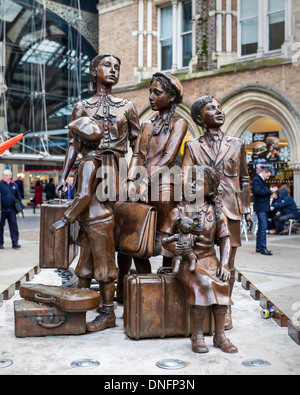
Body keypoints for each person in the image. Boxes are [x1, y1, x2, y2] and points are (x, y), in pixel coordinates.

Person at [55, 53, 140, 304]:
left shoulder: (128, 106)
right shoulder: (82, 106)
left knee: (115, 229)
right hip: (90, 166)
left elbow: (138, 144)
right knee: (89, 227)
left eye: (117, 66)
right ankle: (89, 293)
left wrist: (133, 176)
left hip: (117, 168)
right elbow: (73, 144)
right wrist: (63, 176)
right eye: (107, 65)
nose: (113, 70)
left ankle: (114, 291)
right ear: (94, 71)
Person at [182, 95, 252, 330]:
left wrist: (246, 208)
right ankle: (202, 303)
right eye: (211, 109)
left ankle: (226, 306)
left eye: (219, 107)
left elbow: (244, 178)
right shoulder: (192, 146)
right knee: (200, 259)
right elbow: (185, 176)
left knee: (228, 262)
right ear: (201, 118)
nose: (219, 111)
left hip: (230, 211)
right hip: (201, 212)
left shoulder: (237, 144)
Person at [161, 166, 238, 354]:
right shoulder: (178, 211)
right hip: (186, 261)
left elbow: (225, 239)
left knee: (221, 281)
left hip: (209, 259)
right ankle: (197, 335)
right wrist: (173, 247)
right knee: (203, 282)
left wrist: (224, 263)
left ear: (210, 190)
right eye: (191, 180)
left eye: (199, 183)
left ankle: (220, 335)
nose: (193, 185)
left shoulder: (215, 212)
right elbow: (163, 238)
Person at [51, 117, 117, 333]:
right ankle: (80, 307)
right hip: (90, 223)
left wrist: (65, 218)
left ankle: (108, 314)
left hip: (99, 223)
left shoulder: (89, 163)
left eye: (73, 139)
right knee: (84, 268)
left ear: (80, 142)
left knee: (105, 270)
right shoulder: (90, 160)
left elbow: (84, 195)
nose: (71, 143)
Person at [127, 72, 188, 274]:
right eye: (150, 92)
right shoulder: (146, 125)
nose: (151, 96)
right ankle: (144, 281)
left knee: (165, 237)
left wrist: (145, 182)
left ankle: (166, 278)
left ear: (171, 97)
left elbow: (169, 157)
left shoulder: (178, 123)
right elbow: (135, 155)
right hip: (140, 184)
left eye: (157, 92)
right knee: (137, 235)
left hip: (164, 185)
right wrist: (130, 180)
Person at [0, 169, 24, 249]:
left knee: (13, 226)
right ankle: (0, 243)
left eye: (6, 175)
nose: (4, 176)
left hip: (12, 209)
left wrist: (21, 208)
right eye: (4, 175)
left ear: (10, 176)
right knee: (0, 227)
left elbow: (18, 197)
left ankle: (15, 242)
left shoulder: (14, 185)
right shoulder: (0, 184)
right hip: (2, 209)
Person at [252, 167, 273, 255]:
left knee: (261, 227)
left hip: (262, 207)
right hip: (261, 207)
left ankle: (259, 247)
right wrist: (269, 191)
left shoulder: (261, 180)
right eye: (267, 176)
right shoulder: (257, 180)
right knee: (263, 227)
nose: (268, 178)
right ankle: (263, 248)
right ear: (264, 172)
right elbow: (258, 191)